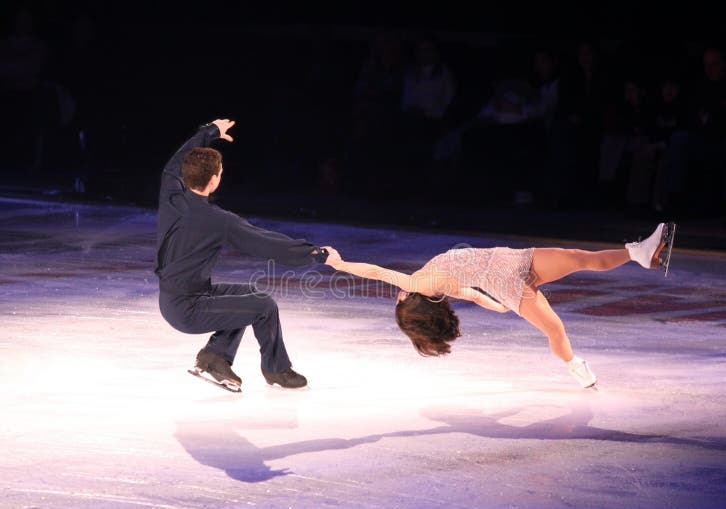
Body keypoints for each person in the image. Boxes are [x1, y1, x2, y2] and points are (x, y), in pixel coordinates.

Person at [323, 223, 672, 388]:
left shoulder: (438, 287)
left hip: (511, 261)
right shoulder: (419, 283)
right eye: (398, 300)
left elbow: (473, 294)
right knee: (555, 328)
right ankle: (574, 366)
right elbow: (377, 271)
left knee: (579, 257)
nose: (396, 293)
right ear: (408, 301)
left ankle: (638, 253)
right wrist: (338, 264)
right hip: (507, 279)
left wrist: (497, 307)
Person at [154, 119, 331, 392]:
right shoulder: (219, 221)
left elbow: (176, 161)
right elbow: (267, 244)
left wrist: (209, 131)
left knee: (250, 296)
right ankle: (277, 371)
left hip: (175, 298)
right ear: (214, 180)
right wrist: (313, 254)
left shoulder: (171, 194)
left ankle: (215, 356)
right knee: (264, 307)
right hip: (188, 309)